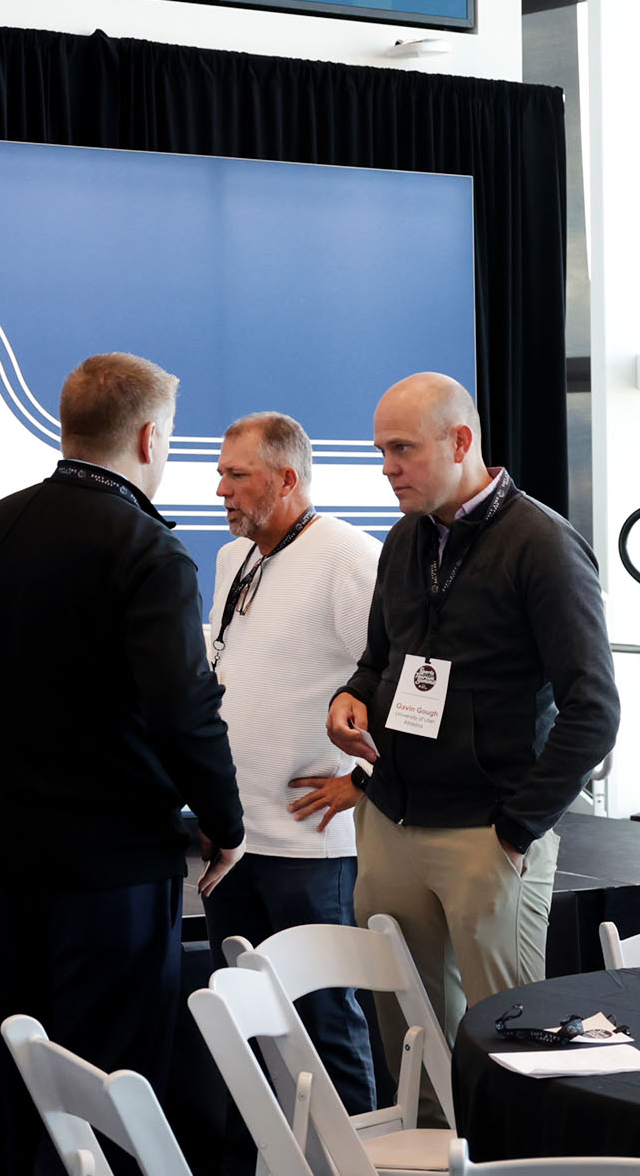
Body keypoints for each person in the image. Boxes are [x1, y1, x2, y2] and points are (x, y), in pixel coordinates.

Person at [0, 352, 244, 1175]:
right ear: (148, 437)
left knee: (25, 1065)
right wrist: (224, 818)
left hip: (2, 851)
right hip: (110, 864)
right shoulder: (148, 549)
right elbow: (183, 708)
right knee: (110, 1085)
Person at [324, 373, 618, 1060]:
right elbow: (379, 660)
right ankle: (429, 1140)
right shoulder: (404, 538)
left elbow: (595, 710)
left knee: (510, 1043)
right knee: (412, 1045)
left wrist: (515, 831)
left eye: (403, 448)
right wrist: (350, 697)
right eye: (381, 451)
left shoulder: (542, 543)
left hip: (487, 833)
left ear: (460, 441)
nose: (388, 468)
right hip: (392, 822)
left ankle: (509, 1144)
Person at [205, 411, 381, 1118]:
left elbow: (402, 673)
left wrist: (363, 781)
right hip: (235, 841)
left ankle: (355, 1161)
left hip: (311, 849)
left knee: (325, 1027)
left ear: (285, 479)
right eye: (220, 473)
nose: (221, 489)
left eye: (236, 475)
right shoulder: (234, 558)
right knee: (247, 1030)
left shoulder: (349, 557)